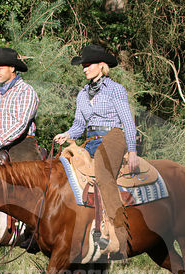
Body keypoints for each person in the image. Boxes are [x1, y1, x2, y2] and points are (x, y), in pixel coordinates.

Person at [54, 44, 138, 257]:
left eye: (88, 64)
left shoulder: (115, 89)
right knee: (63, 166)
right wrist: (67, 134)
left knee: (102, 170)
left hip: (113, 136)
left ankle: (120, 235)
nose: (84, 68)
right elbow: (79, 125)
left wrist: (133, 151)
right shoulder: (82, 94)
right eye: (83, 65)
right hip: (90, 139)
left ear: (101, 66)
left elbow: (127, 121)